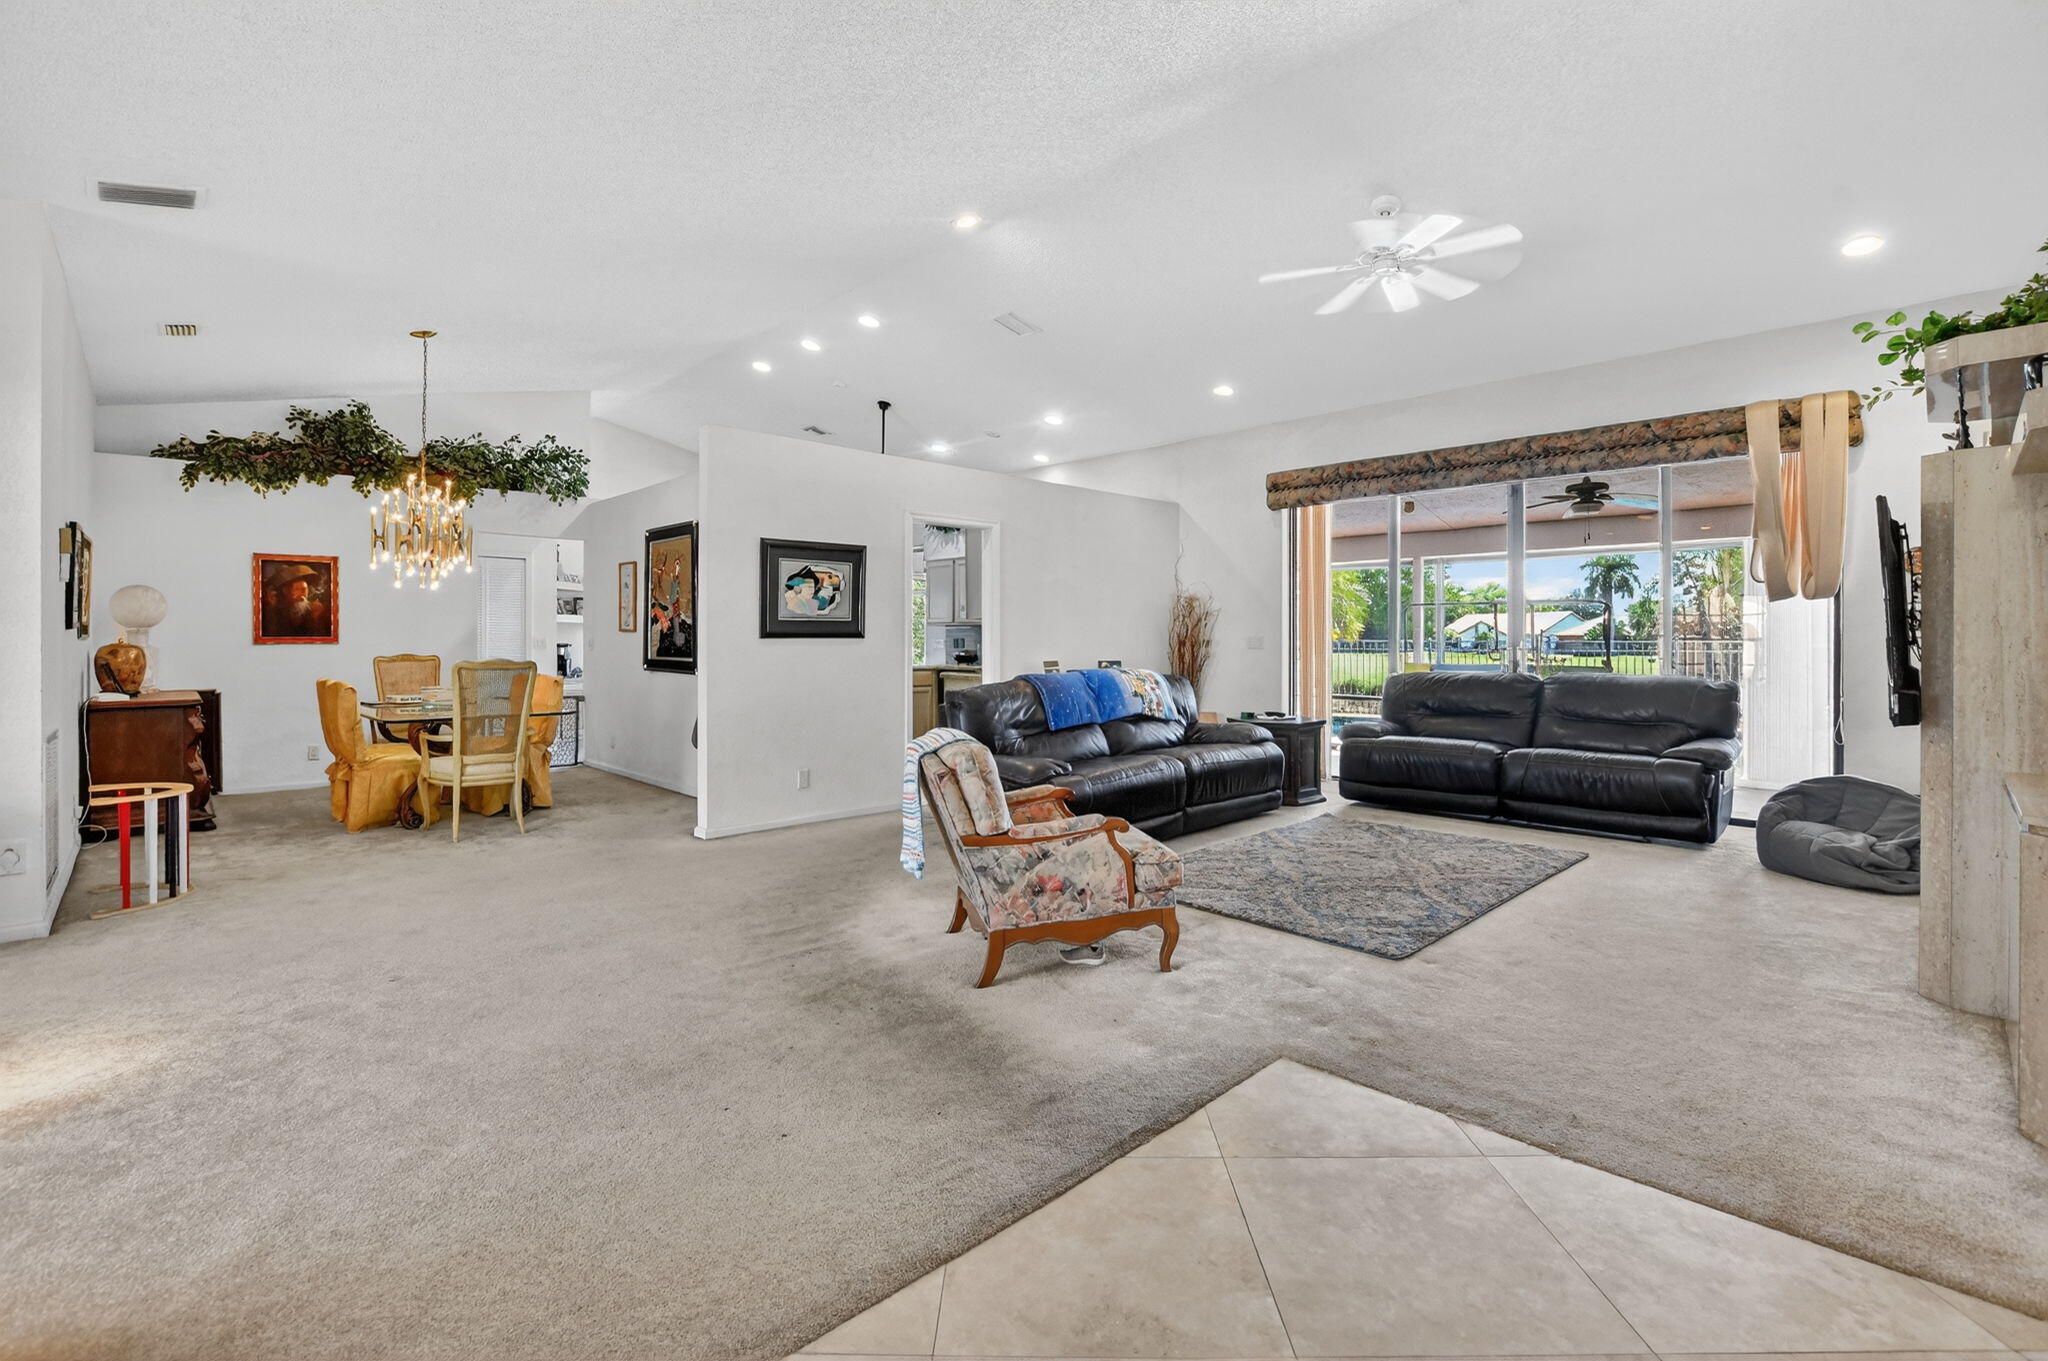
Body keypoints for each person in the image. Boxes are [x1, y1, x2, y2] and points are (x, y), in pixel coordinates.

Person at [263, 564, 330, 638]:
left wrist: (316, 618)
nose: (303, 594)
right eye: (298, 589)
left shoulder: (313, 610)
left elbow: (320, 639)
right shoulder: (273, 611)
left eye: (305, 589)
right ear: (286, 591)